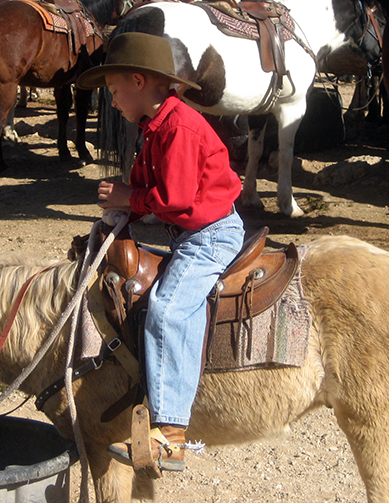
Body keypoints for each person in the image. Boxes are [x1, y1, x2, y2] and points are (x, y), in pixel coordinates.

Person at [76, 32, 245, 472]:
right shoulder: (154, 127)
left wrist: (125, 198)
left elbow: (174, 197)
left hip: (211, 235)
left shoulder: (180, 127)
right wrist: (115, 218)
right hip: (187, 233)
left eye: (113, 91)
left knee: (169, 308)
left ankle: (171, 435)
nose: (111, 101)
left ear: (138, 81)